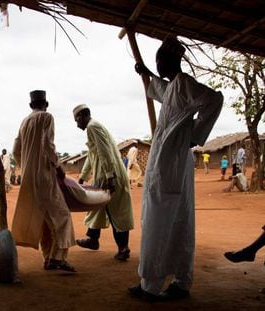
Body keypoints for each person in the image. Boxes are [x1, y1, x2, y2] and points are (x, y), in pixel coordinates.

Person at [129, 36, 223, 301]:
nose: (157, 65)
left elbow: (215, 100)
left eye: (158, 61)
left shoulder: (183, 85)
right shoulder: (174, 87)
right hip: (171, 163)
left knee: (158, 221)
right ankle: (182, 282)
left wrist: (195, 133)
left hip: (170, 163)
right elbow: (160, 89)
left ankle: (151, 285)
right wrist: (145, 72)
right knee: (179, 219)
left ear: (166, 61)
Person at [11, 90, 76, 272]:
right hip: (44, 177)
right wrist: (58, 167)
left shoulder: (25, 121)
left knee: (45, 220)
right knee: (62, 216)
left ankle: (48, 257)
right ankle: (58, 258)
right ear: (46, 104)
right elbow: (48, 144)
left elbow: (16, 150)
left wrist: (26, 166)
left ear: (31, 106)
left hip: (28, 179)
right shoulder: (46, 117)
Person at [72, 104, 134, 261]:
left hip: (110, 176)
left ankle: (123, 248)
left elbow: (104, 152)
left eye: (76, 120)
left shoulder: (93, 127)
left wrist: (110, 177)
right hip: (104, 175)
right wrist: (82, 177)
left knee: (116, 212)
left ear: (82, 116)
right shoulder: (93, 127)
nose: (76, 123)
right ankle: (93, 239)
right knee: (97, 207)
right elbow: (92, 155)